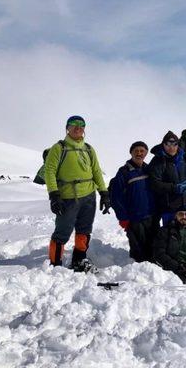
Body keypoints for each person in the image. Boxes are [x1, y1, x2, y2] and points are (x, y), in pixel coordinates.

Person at [45, 115, 109, 272]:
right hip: (67, 197)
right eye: (74, 124)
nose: (78, 127)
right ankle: (55, 265)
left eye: (81, 125)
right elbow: (50, 171)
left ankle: (79, 260)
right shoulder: (59, 148)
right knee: (62, 232)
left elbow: (96, 171)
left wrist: (104, 192)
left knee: (84, 229)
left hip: (88, 196)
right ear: (67, 128)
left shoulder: (88, 149)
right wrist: (54, 195)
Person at [109, 141, 159, 263]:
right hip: (134, 219)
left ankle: (154, 276)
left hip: (152, 217)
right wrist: (123, 218)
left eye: (142, 151)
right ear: (131, 153)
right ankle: (138, 278)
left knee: (154, 249)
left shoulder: (149, 170)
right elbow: (116, 197)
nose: (139, 153)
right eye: (136, 151)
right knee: (138, 253)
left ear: (146, 153)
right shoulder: (123, 172)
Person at [148, 131, 186, 226]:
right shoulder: (158, 161)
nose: (172, 148)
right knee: (171, 234)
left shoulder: (183, 158)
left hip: (185, 204)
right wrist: (174, 188)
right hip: (169, 206)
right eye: (168, 144)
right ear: (163, 145)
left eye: (175, 144)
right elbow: (154, 183)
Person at [153, 208, 186, 284]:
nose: (184, 216)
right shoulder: (165, 231)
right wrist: (177, 267)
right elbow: (159, 253)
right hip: (171, 270)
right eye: (181, 214)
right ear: (176, 216)